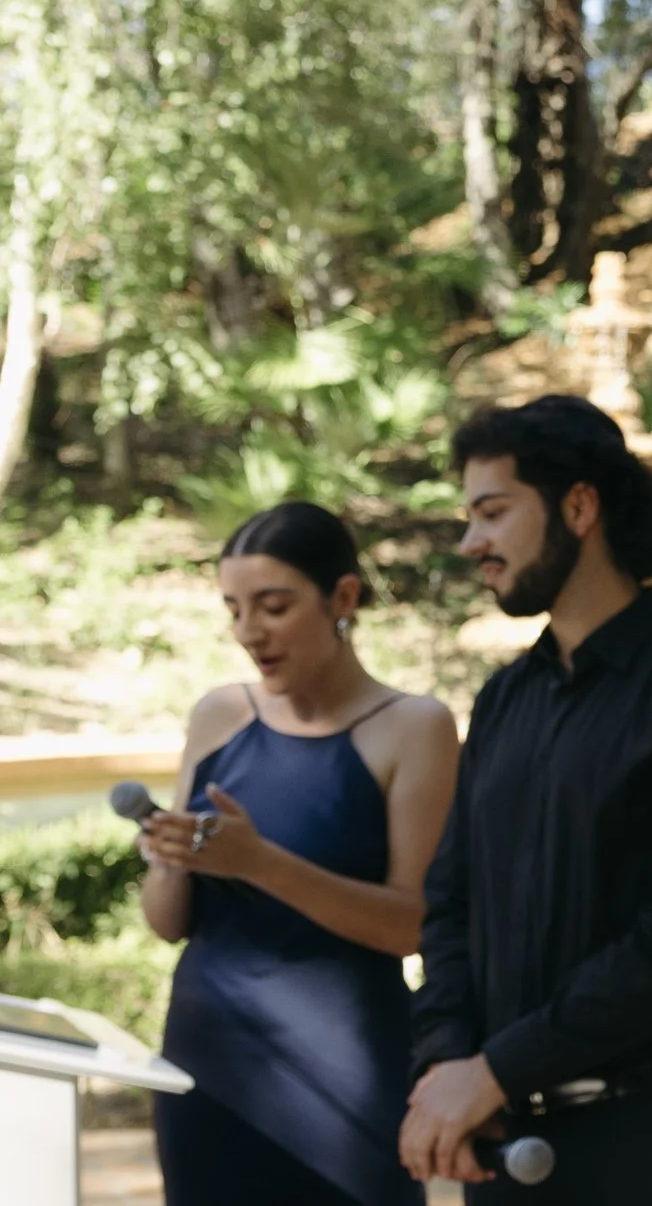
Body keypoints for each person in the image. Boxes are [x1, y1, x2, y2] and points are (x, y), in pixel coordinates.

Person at [402, 395, 652, 1204]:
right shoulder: (504, 697)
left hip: (644, 1145)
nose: (471, 543)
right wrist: (449, 1059)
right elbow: (451, 901)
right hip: (501, 1143)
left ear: (579, 506)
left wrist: (496, 1069)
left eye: (493, 512)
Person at [138, 501, 459, 1206]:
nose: (249, 631)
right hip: (207, 1062)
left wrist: (259, 862)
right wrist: (168, 856)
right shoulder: (218, 714)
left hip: (347, 1073)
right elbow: (166, 923)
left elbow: (413, 925)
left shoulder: (414, 727)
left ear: (342, 597)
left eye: (274, 606)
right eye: (234, 609)